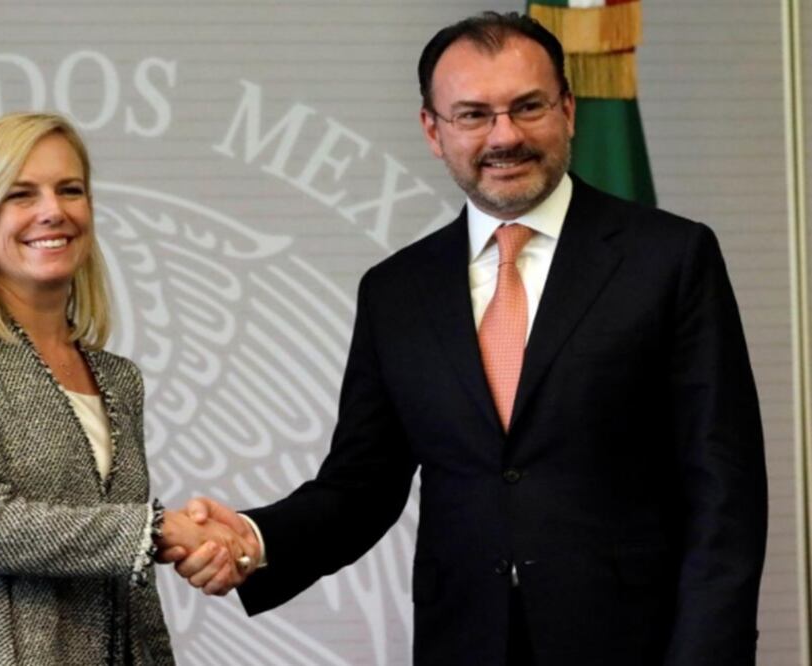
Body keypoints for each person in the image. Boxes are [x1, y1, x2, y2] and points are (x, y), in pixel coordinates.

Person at [166, 11, 768, 666]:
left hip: (634, 643)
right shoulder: (396, 291)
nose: (503, 135)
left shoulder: (669, 259)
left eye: (527, 107)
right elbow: (361, 485)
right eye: (473, 114)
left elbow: (724, 489)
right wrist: (254, 536)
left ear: (567, 108)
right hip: (465, 641)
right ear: (433, 129)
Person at [0, 112, 252, 665]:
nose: (54, 210)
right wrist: (157, 528)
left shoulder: (117, 378)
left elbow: (124, 579)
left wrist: (175, 541)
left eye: (71, 190)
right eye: (21, 194)